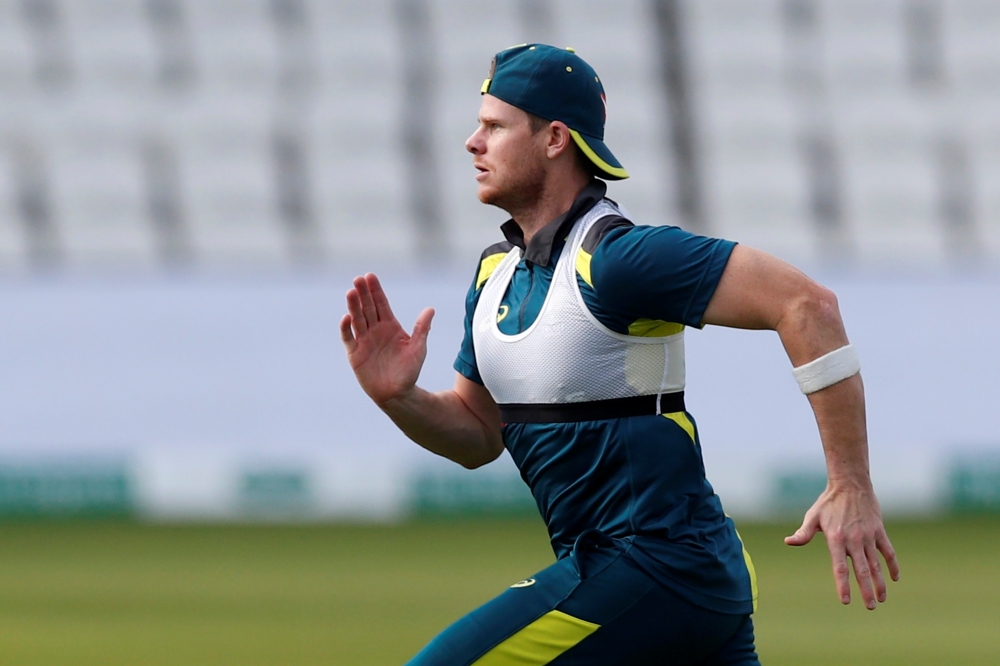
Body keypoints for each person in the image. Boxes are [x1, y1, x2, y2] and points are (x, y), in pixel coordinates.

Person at [340, 44, 899, 666]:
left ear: (555, 138)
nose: (473, 143)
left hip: (654, 565)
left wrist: (851, 484)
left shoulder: (620, 260)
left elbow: (807, 306)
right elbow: (477, 435)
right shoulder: (494, 274)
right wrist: (400, 398)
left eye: (495, 126)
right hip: (664, 578)